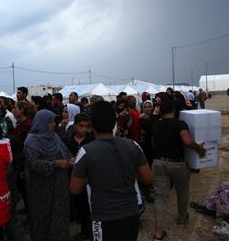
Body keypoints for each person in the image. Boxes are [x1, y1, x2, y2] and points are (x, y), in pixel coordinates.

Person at [70, 101, 152, 241]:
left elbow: (75, 189)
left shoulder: (86, 151)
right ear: (114, 123)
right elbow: (148, 179)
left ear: (92, 125)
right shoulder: (133, 145)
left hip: (103, 216)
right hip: (131, 213)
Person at [151, 99, 206, 240]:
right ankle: (182, 219)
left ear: (161, 111)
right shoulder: (180, 123)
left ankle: (158, 231)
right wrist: (200, 149)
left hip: (158, 163)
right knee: (182, 192)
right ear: (174, 111)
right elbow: (187, 142)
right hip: (177, 164)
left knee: (160, 196)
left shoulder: (156, 125)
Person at [24, 109, 74, 241]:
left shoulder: (54, 136)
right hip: (41, 190)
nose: (54, 124)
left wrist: (72, 159)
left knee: (59, 218)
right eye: (51, 122)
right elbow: (34, 164)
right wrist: (56, 163)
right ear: (43, 123)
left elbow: (65, 151)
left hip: (59, 188)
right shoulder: (31, 142)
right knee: (42, 220)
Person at [64, 113, 94, 241]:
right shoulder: (68, 141)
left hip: (88, 180)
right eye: (81, 126)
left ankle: (87, 230)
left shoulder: (91, 141)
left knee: (87, 205)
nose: (84, 129)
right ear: (75, 126)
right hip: (72, 178)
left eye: (86, 126)